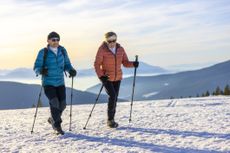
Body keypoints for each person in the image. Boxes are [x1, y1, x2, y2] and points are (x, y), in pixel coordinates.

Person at [33, 31, 76, 135]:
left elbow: (67, 64)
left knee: (63, 105)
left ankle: (52, 119)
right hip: (48, 83)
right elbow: (36, 67)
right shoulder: (43, 52)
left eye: (57, 40)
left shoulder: (62, 50)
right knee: (55, 102)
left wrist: (71, 70)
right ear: (48, 41)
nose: (55, 42)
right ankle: (57, 125)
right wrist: (41, 70)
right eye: (53, 40)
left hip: (60, 82)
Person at [94, 31, 139, 128]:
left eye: (113, 40)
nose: (112, 43)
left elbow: (125, 63)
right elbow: (97, 64)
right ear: (106, 41)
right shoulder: (102, 50)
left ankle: (112, 118)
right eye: (109, 41)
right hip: (107, 78)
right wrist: (101, 76)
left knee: (115, 98)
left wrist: (133, 64)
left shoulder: (120, 49)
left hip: (117, 77)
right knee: (113, 96)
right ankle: (110, 120)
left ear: (116, 39)